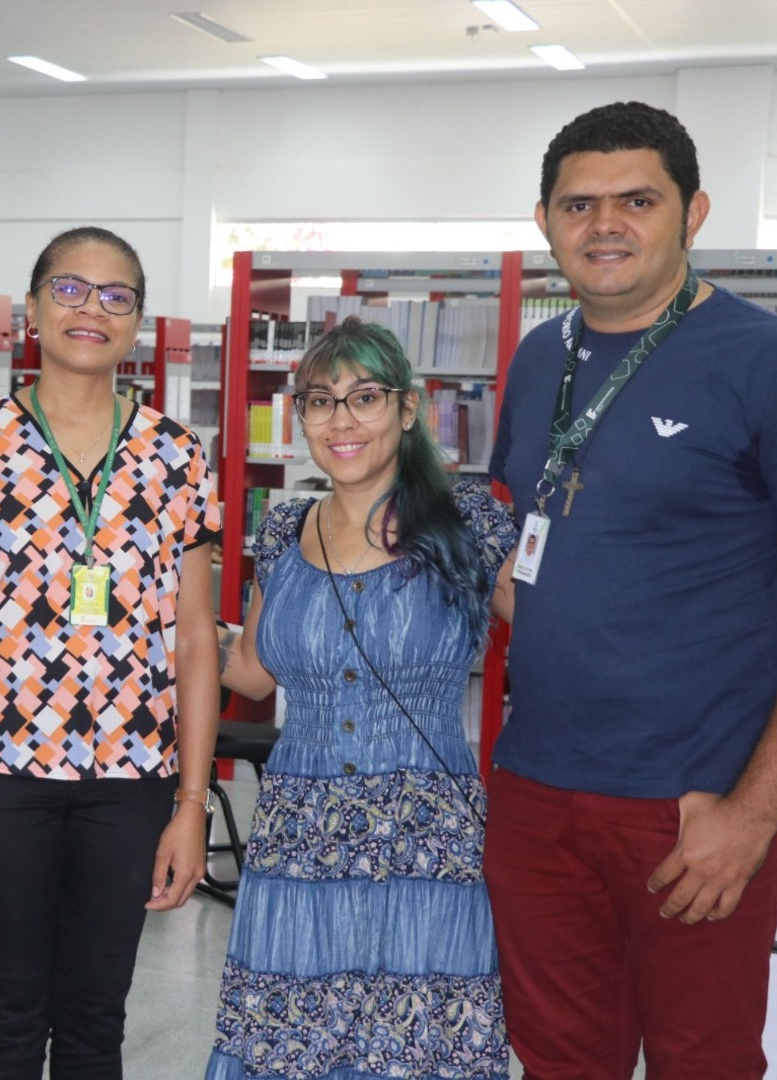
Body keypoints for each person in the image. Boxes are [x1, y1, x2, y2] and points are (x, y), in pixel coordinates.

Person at [485, 100, 777, 1078]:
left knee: (703, 1062)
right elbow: (527, 556)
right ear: (544, 220)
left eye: (637, 199)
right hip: (535, 792)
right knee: (560, 1060)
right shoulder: (534, 358)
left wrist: (754, 812)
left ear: (693, 213)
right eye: (578, 204)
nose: (605, 223)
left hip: (696, 805)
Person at [0, 225, 221, 1079]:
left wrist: (191, 805)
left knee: (95, 1022)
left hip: (131, 779)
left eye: (117, 296)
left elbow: (195, 638)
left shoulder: (175, 455)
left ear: (138, 324)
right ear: (33, 309)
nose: (93, 309)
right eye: (72, 289)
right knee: (8, 1017)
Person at [205, 316, 516, 1080]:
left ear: (407, 410)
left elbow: (567, 637)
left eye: (364, 397)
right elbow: (248, 675)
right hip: (296, 840)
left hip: (427, 845)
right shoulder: (281, 531)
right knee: (290, 1048)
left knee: (418, 1049)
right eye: (318, 401)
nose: (340, 421)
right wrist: (171, 618)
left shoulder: (469, 523)